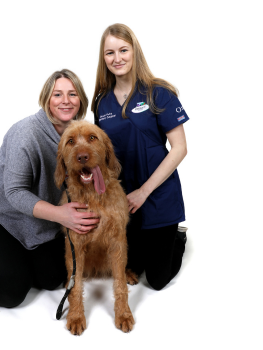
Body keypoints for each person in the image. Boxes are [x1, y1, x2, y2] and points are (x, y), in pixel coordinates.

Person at [0, 69, 100, 314]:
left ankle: (19, 259)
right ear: (47, 99)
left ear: (80, 99)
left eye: (72, 94)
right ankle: (1, 265)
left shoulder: (78, 134)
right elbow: (15, 193)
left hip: (39, 217)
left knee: (52, 279)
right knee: (10, 295)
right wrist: (63, 215)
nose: (66, 100)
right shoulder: (25, 133)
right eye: (57, 94)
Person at [92, 24, 189, 291]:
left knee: (157, 280)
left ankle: (177, 238)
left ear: (134, 52)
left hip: (157, 195)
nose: (117, 58)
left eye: (123, 50)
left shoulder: (159, 93)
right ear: (104, 59)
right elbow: (102, 155)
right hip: (124, 201)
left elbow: (180, 148)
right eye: (110, 53)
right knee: (131, 266)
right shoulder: (101, 102)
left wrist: (144, 192)